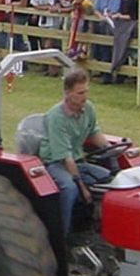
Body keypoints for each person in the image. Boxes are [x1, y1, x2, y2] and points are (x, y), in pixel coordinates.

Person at [38, 68, 112, 238]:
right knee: (70, 187)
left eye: (86, 91)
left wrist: (109, 149)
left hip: (77, 160)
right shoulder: (56, 117)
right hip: (55, 163)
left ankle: (97, 228)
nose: (84, 97)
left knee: (109, 180)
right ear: (67, 93)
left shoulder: (88, 108)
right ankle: (62, 236)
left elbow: (94, 132)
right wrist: (83, 188)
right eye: (80, 93)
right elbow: (65, 157)